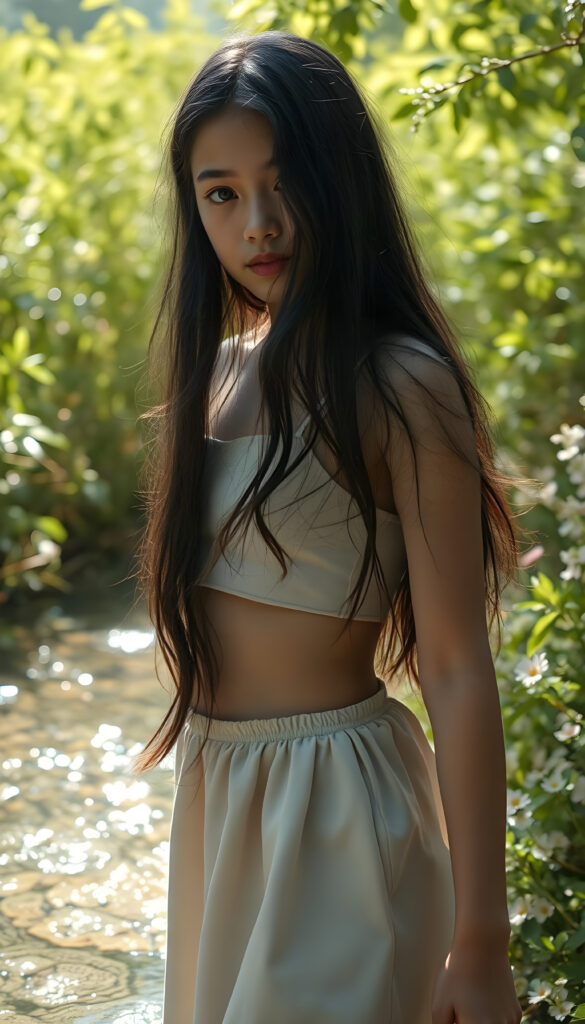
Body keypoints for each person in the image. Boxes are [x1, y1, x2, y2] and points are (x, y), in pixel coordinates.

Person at [130, 29, 526, 1024]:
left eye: (282, 181)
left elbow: (455, 669)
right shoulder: (210, 378)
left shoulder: (398, 386)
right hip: (221, 801)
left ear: (339, 176)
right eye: (220, 192)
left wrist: (480, 943)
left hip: (339, 808)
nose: (258, 221)